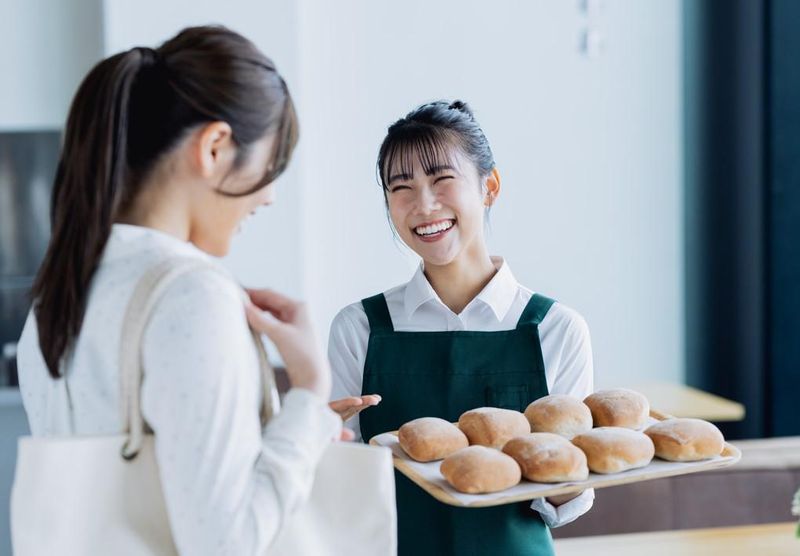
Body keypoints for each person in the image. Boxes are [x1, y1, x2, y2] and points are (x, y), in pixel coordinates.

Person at [17, 25, 344, 555]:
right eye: (271, 165)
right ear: (215, 147)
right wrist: (307, 394)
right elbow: (225, 544)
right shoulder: (191, 295)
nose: (270, 197)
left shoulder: (57, 298)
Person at [328, 100, 595, 556]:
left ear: (489, 186)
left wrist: (568, 475)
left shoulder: (555, 328)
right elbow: (343, 489)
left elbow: (565, 503)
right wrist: (318, 445)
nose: (423, 204)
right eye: (401, 187)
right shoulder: (359, 328)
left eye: (441, 179)